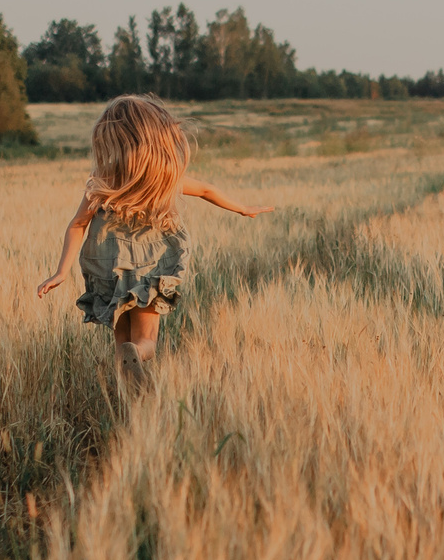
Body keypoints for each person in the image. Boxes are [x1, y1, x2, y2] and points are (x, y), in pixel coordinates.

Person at [35, 94, 271, 389]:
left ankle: (128, 392)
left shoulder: (103, 179)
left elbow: (78, 224)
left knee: (121, 341)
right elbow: (208, 190)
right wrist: (242, 208)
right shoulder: (163, 177)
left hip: (109, 267)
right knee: (146, 340)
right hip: (151, 268)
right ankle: (140, 356)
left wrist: (60, 272)